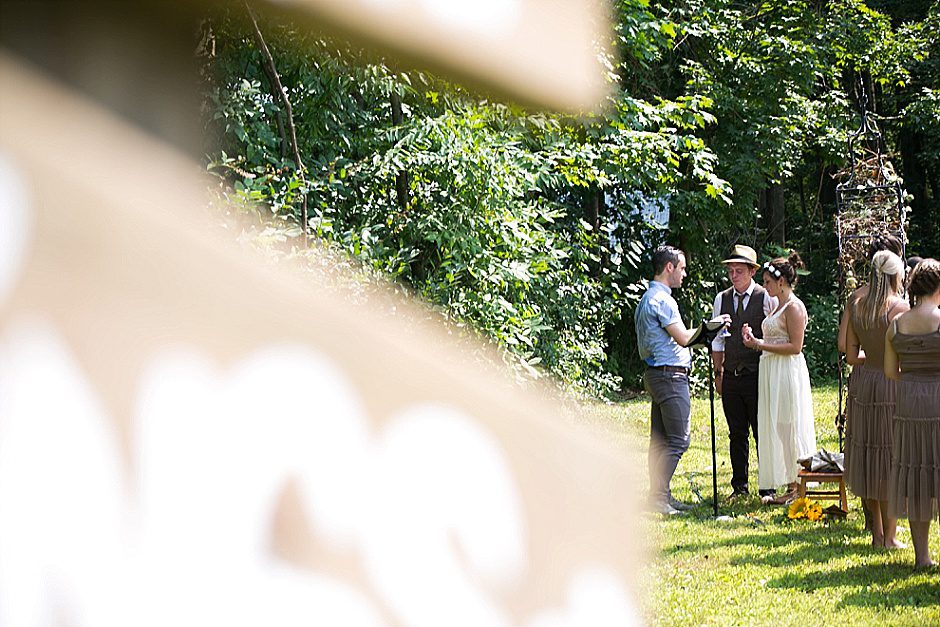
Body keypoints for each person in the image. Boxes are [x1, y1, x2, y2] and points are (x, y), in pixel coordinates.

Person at [635, 245, 731, 515]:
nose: (684, 274)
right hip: (669, 376)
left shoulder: (647, 298)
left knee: (660, 440)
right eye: (682, 268)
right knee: (679, 440)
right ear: (669, 268)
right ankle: (657, 498)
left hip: (655, 375)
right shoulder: (663, 301)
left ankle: (661, 496)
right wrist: (713, 326)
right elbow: (683, 338)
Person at [844, 250, 909, 547]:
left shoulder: (857, 305)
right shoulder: (899, 308)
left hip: (863, 383)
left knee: (869, 454)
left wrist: (869, 360)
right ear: (896, 275)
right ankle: (891, 537)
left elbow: (849, 354)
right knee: (890, 457)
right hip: (891, 383)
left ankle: (877, 534)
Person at [741, 252, 817, 504]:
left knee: (790, 425)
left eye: (768, 282)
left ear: (781, 281)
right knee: (781, 427)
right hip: (772, 370)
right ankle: (789, 483)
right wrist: (754, 340)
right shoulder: (777, 306)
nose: (765, 286)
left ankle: (798, 483)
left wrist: (761, 344)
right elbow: (774, 338)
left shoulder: (794, 307)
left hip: (786, 371)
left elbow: (796, 346)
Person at [884, 258, 940, 569]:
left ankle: (922, 557)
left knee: (918, 473)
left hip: (908, 403)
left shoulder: (897, 324)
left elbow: (891, 372)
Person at [710, 244, 777, 500]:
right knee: (736, 432)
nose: (734, 275)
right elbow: (717, 340)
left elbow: (773, 334)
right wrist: (719, 373)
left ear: (751, 271)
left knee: (762, 431)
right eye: (731, 271)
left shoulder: (765, 297)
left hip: (757, 373)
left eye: (739, 270)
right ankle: (739, 486)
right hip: (731, 375)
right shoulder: (722, 299)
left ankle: (767, 486)